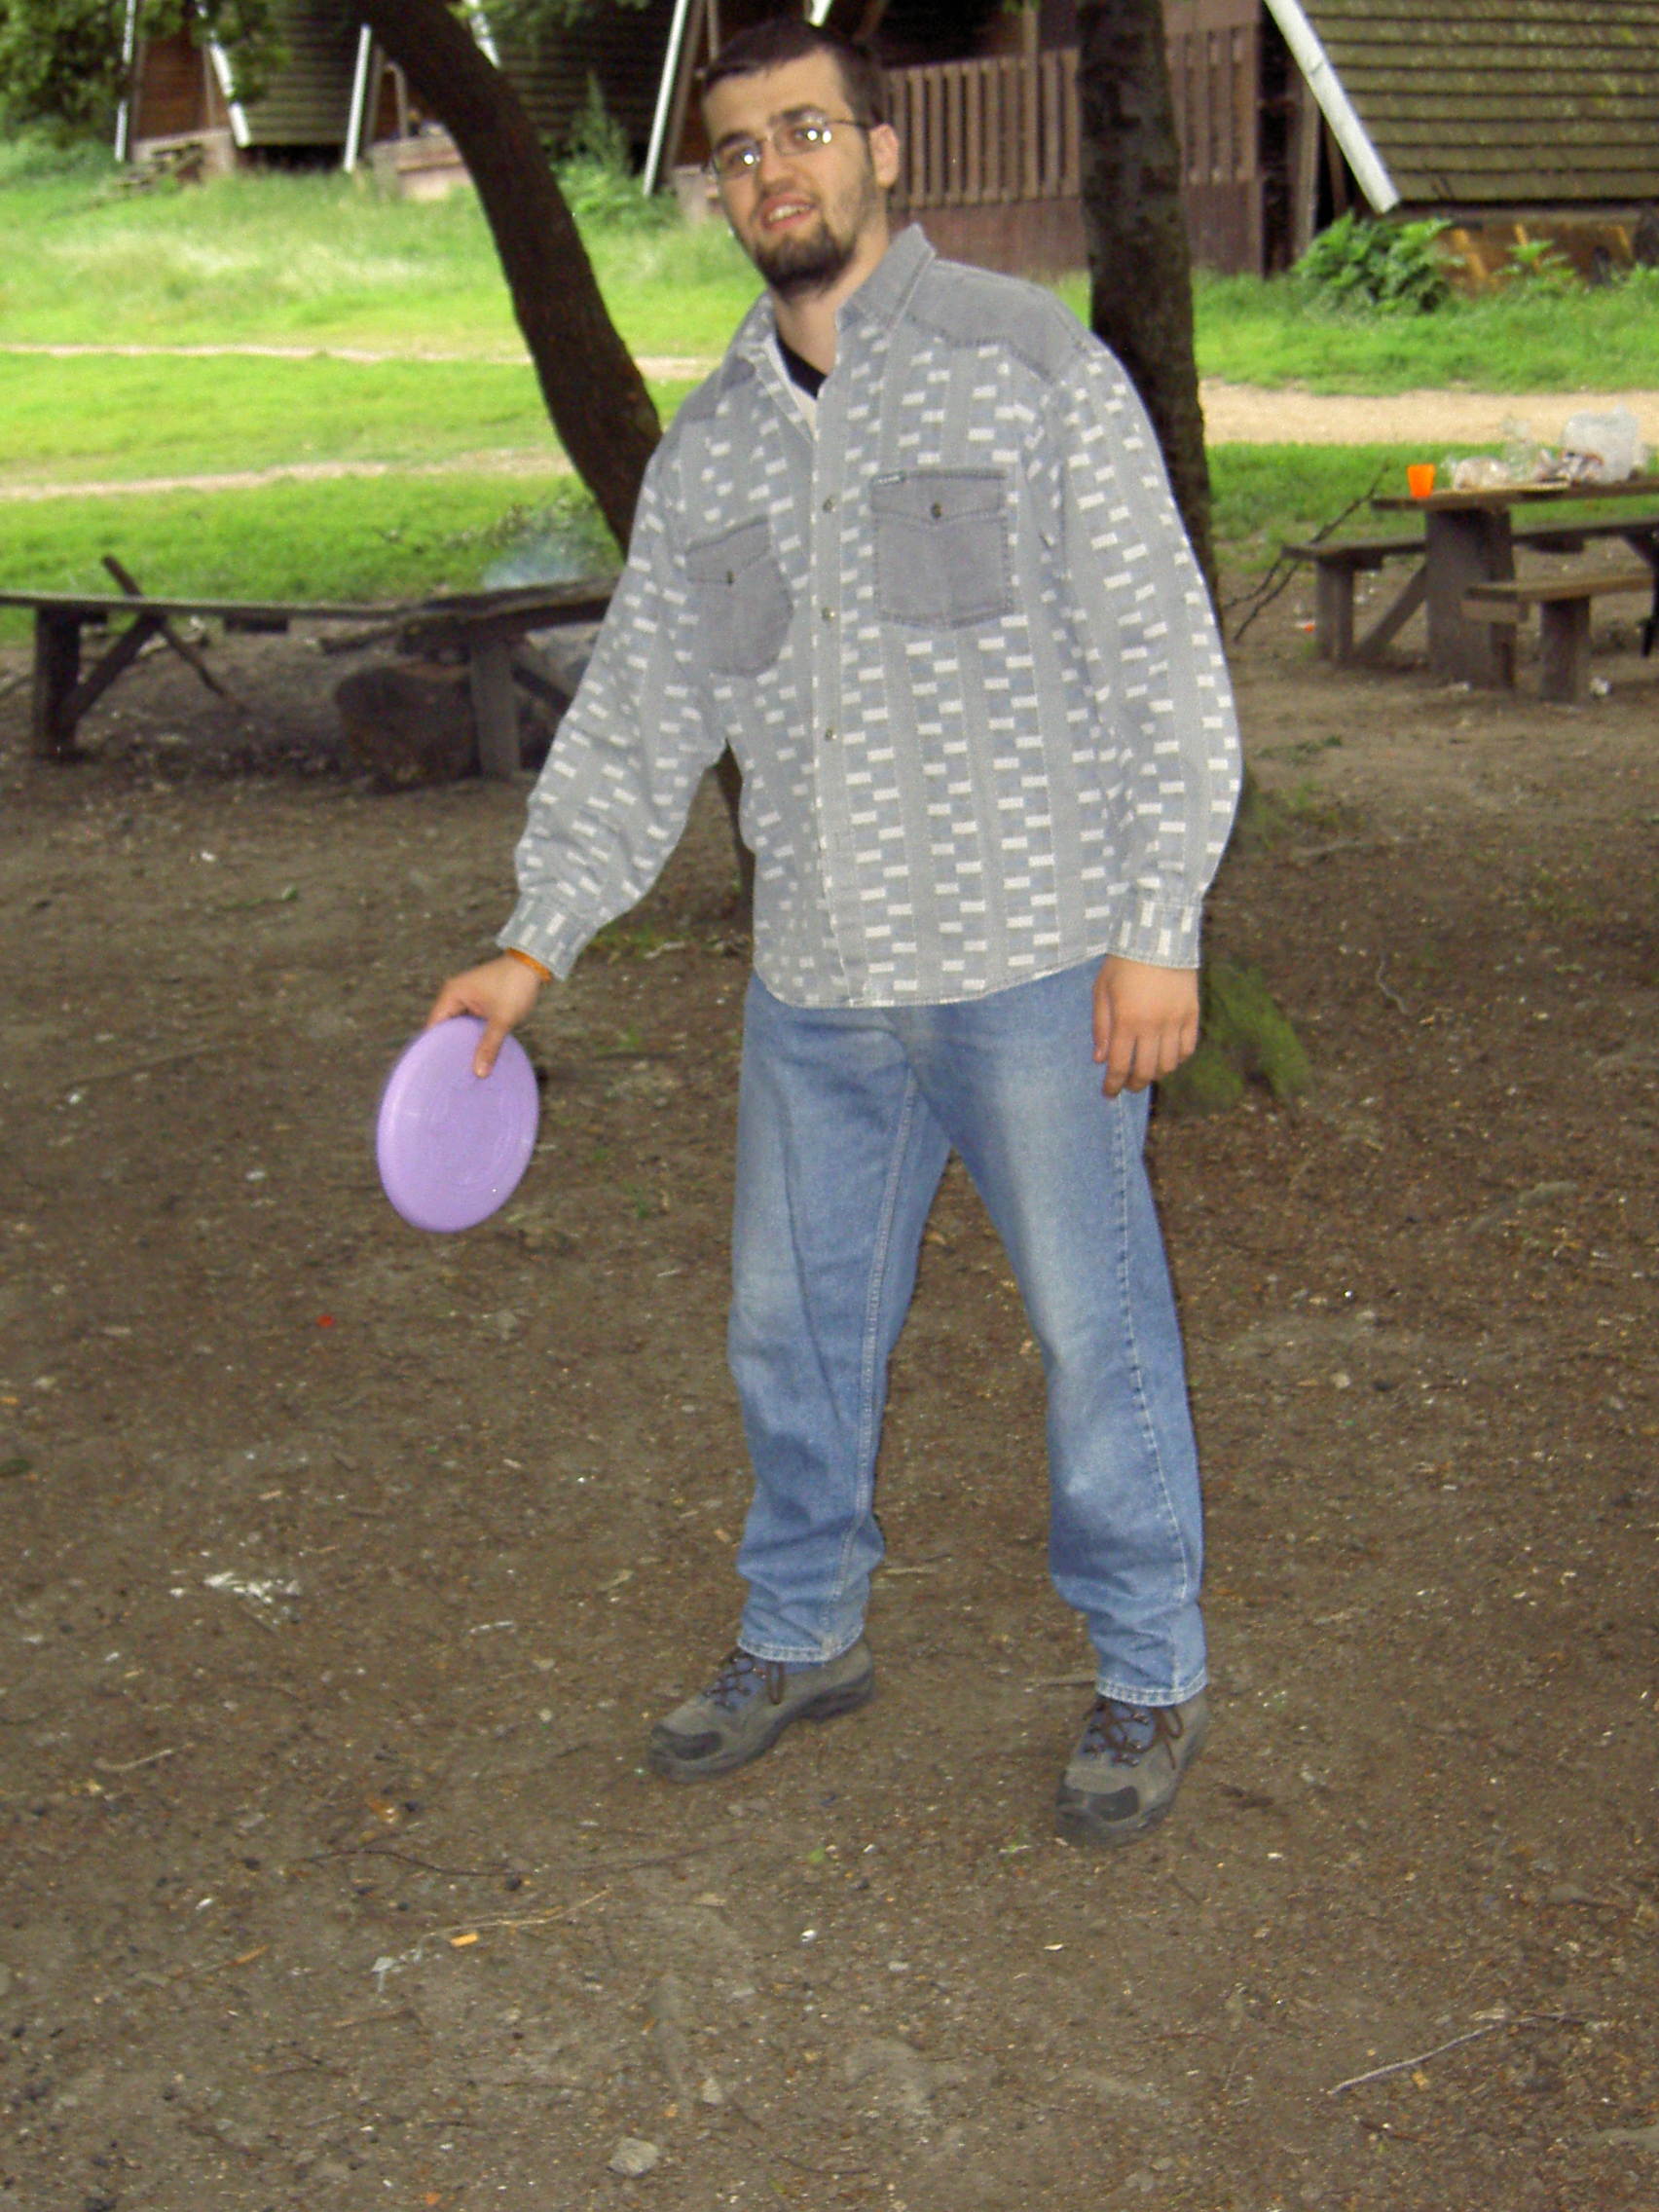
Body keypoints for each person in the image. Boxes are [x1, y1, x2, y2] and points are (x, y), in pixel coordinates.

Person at [428, 18, 1241, 1848]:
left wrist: (1158, 930)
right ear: (720, 191)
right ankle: (802, 1633)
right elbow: (639, 717)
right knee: (787, 1338)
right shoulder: (712, 448)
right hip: (818, 989)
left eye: (805, 131)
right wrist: (532, 945)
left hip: (1039, 968)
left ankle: (1148, 1663)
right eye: (738, 150)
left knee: (1096, 1332)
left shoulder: (1035, 369)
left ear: (884, 150)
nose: (772, 171)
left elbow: (1164, 669)